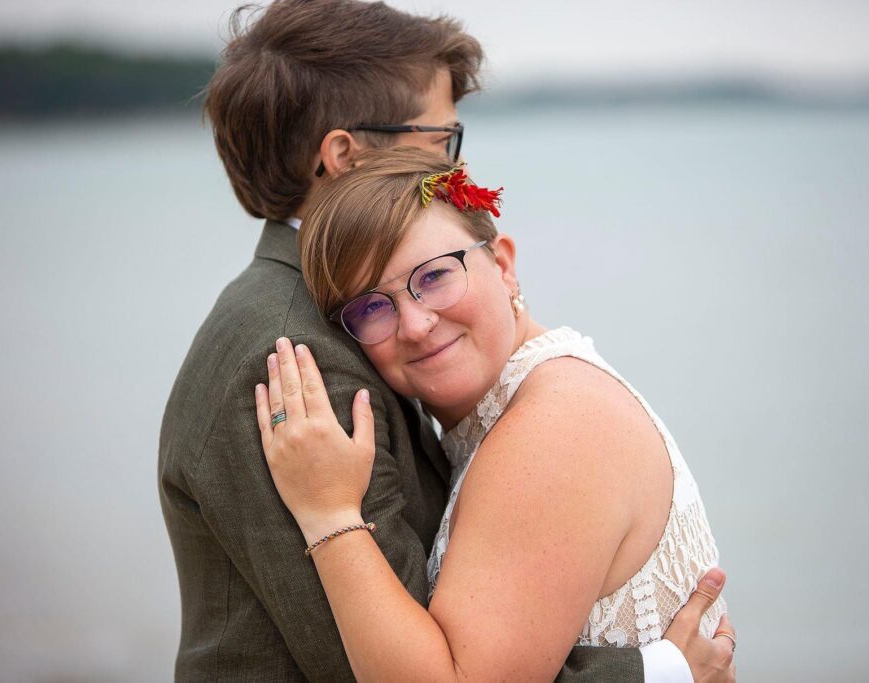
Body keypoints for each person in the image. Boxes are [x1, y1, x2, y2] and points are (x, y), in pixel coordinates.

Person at [159, 0, 735, 680]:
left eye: (434, 276)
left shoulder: (334, 321)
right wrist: (659, 670)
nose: (453, 169)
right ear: (346, 156)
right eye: (441, 142)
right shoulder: (292, 353)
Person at [253, 148, 735, 681]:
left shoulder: (556, 426)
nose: (414, 325)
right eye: (371, 307)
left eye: (434, 277)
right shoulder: (512, 407)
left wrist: (329, 512)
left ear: (502, 265)